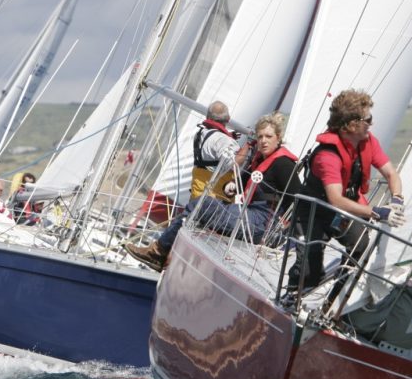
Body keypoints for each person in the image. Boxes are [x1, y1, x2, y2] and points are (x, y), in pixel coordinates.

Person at [125, 112, 301, 271]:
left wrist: (291, 234)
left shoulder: (283, 164)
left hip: (261, 223)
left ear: (278, 138)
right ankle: (168, 254)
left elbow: (300, 199)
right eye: (260, 136)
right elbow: (242, 184)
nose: (263, 141)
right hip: (250, 215)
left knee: (202, 207)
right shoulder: (260, 160)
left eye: (269, 136)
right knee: (200, 204)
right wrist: (229, 187)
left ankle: (159, 252)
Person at [291, 89, 405, 291]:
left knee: (362, 247)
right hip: (312, 213)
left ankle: (333, 301)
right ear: (352, 125)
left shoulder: (369, 142)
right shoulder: (327, 156)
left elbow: (391, 174)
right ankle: (292, 297)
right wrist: (377, 212)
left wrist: (396, 200)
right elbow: (335, 199)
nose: (371, 123)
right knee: (308, 271)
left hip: (340, 212)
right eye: (368, 119)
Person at [189, 101, 244, 201]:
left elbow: (211, 143)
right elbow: (234, 164)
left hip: (197, 193)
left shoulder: (200, 133)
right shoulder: (224, 140)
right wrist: (248, 146)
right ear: (228, 119)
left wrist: (229, 136)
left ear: (208, 116)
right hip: (214, 199)